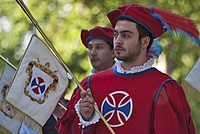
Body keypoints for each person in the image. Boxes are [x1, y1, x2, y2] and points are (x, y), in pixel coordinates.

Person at [56, 4, 199, 134]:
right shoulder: (90, 84)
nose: (118, 41)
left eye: (125, 35)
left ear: (145, 42)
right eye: (116, 35)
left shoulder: (163, 88)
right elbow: (67, 130)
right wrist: (85, 120)